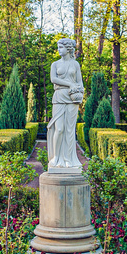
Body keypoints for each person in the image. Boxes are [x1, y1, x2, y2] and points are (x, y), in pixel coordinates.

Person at [47, 38, 84, 170]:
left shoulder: (75, 65)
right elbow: (53, 79)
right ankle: (56, 157)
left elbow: (80, 82)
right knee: (60, 128)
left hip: (72, 98)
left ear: (68, 49)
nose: (58, 50)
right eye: (58, 47)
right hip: (59, 97)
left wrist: (80, 92)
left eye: (61, 47)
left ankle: (68, 159)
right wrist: (70, 84)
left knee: (69, 130)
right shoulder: (55, 64)